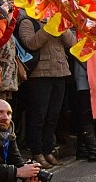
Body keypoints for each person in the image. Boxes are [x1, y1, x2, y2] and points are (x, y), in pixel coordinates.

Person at [16, 12, 76, 168]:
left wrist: (61, 25)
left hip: (60, 72)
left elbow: (72, 42)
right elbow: (31, 43)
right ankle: (37, 151)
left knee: (53, 115)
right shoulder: (27, 22)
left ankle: (48, 150)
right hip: (39, 75)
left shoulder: (55, 19)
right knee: (38, 115)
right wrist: (49, 27)